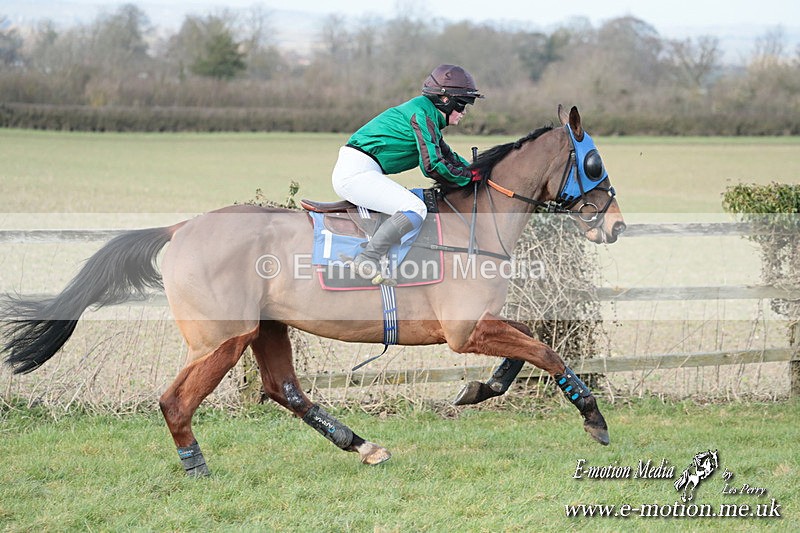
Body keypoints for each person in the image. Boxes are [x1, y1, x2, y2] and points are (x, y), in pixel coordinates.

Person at [332, 64, 483, 285]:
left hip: (363, 169)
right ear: (445, 100)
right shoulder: (421, 114)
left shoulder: (426, 114)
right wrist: (468, 178)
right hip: (356, 173)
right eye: (462, 105)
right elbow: (432, 165)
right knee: (415, 208)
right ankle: (367, 259)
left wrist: (475, 170)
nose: (464, 112)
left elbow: (446, 154)